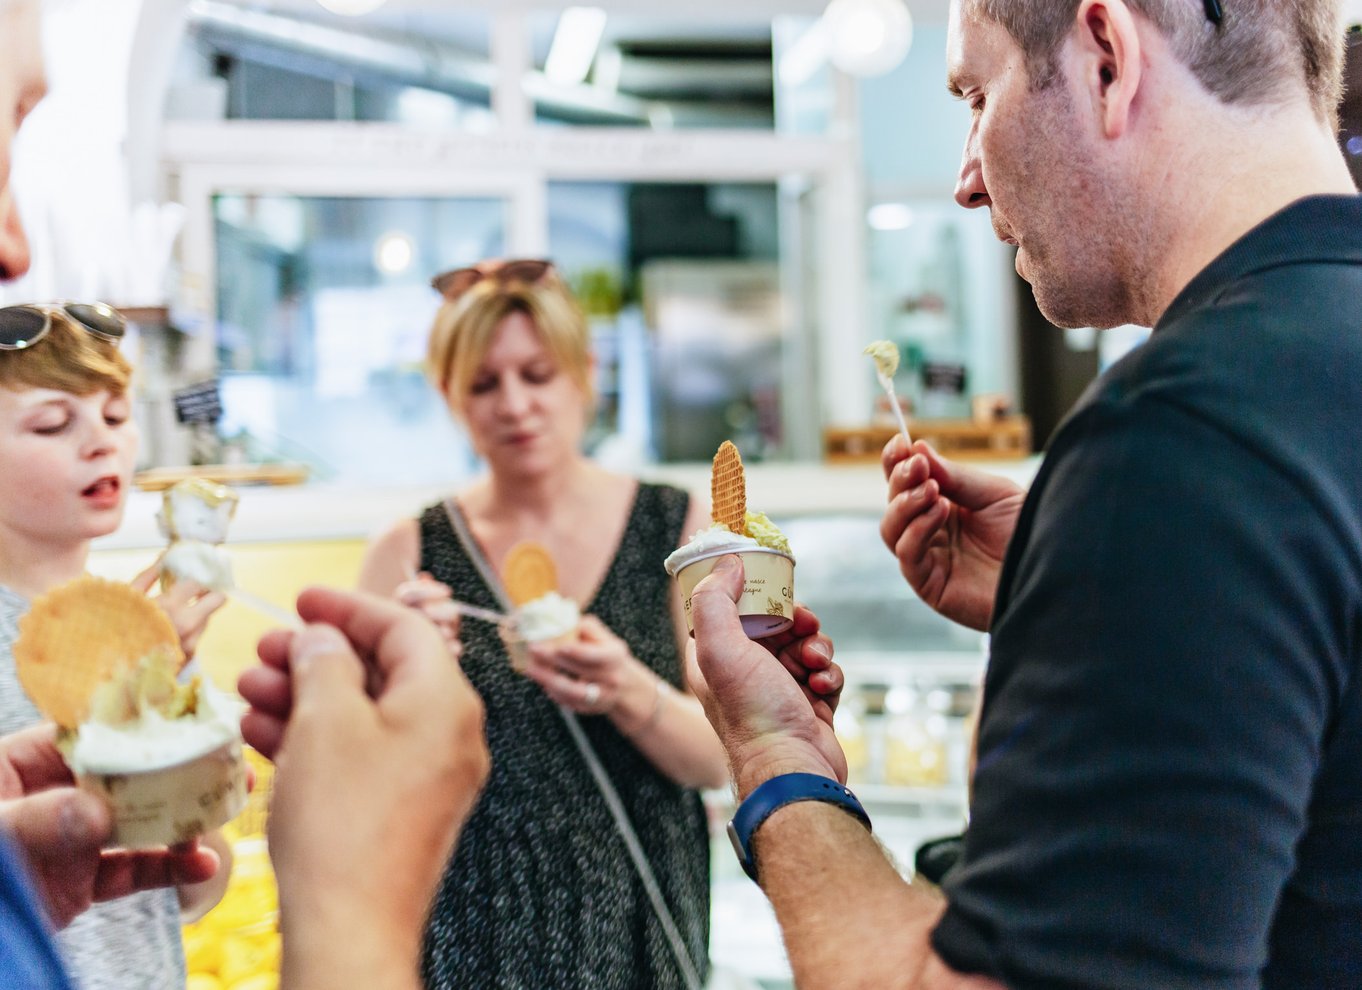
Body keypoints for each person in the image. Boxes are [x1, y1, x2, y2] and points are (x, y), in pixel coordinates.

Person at [689, 1, 1362, 988]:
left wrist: (774, 760)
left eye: (976, 94)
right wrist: (1087, 605)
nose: (967, 179)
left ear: (1105, 55)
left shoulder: (1179, 437)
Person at [357, 258, 730, 989]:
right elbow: (363, 779)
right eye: (484, 384)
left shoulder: (677, 524)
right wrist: (395, 676)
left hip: (642, 912)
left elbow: (721, 760)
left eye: (538, 374)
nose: (516, 405)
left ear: (584, 373)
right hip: (473, 917)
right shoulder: (411, 553)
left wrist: (627, 689)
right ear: (447, 396)